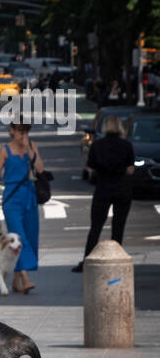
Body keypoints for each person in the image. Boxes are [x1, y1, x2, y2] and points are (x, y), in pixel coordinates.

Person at [0, 120, 43, 294]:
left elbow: (40, 169)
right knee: (20, 238)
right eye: (19, 131)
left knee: (31, 237)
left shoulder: (32, 146)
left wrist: (30, 151)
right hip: (11, 199)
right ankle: (25, 279)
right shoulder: (5, 150)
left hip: (29, 197)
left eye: (25, 131)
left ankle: (16, 281)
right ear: (12, 131)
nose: (22, 134)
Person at [73, 114, 135, 272]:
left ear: (105, 127)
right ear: (120, 127)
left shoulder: (97, 145)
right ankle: (117, 260)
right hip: (122, 189)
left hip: (103, 188)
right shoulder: (126, 145)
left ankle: (87, 261)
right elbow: (130, 169)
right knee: (118, 226)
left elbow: (90, 168)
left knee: (96, 227)